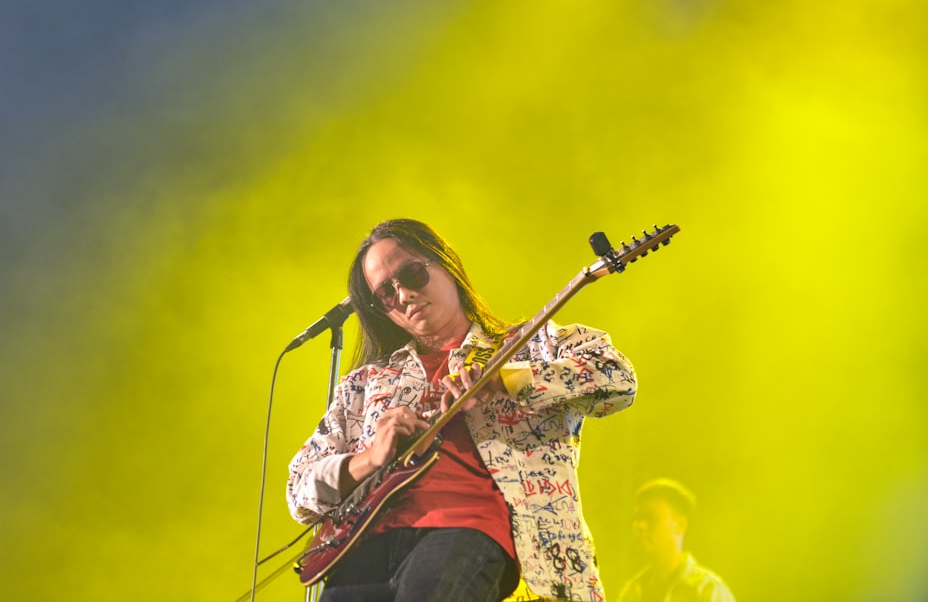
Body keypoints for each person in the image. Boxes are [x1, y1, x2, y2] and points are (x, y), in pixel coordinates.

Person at [287, 218, 638, 602]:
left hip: (465, 527)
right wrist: (370, 458)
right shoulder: (366, 382)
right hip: (363, 547)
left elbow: (617, 376)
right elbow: (298, 488)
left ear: (446, 265)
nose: (403, 295)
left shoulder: (528, 344)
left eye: (412, 274)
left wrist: (505, 379)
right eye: (386, 292)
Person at [616, 479, 735, 602]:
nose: (640, 526)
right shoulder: (631, 594)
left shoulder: (708, 590)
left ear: (680, 525)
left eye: (652, 517)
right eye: (637, 517)